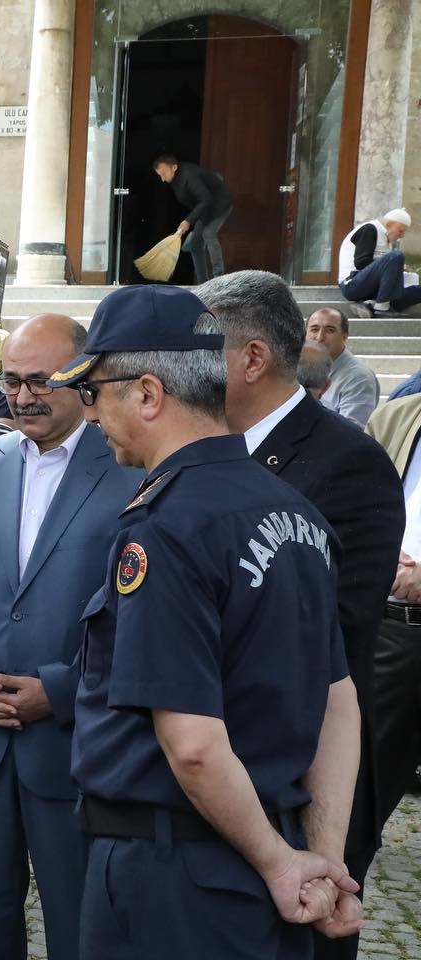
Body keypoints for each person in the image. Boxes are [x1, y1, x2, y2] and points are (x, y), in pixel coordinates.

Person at [50, 284, 364, 958]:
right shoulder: (297, 513)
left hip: (174, 874)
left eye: (94, 393)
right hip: (259, 863)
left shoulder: (166, 527)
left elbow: (191, 742)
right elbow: (337, 700)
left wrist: (285, 864)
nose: (92, 416)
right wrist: (318, 856)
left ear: (147, 394)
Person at [0, 313, 141, 960]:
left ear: (86, 376)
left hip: (76, 743)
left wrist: (61, 690)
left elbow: (140, 610)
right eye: (12, 381)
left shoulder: (131, 470)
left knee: (82, 926)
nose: (23, 396)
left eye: (41, 380)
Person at [200, 270, 405, 960]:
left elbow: (331, 644)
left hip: (299, 779)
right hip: (206, 777)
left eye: (201, 352)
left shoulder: (349, 464)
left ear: (252, 358)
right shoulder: (196, 449)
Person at [363, 396, 421, 843]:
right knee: (366, 780)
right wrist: (380, 550)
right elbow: (357, 504)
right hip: (395, 629)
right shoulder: (397, 416)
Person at [153, 153, 234, 283]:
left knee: (208, 234)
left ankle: (219, 279)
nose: (162, 179)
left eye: (164, 174)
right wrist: (192, 221)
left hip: (220, 203)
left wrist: (189, 220)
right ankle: (203, 283)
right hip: (205, 208)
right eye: (160, 176)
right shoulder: (175, 179)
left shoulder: (188, 176)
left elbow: (206, 198)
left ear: (174, 167)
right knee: (196, 243)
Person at [338, 208, 421, 316]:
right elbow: (361, 263)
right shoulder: (369, 229)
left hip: (373, 288)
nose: (402, 236)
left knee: (417, 290)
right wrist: (390, 265)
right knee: (396, 256)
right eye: (400, 231)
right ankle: (381, 309)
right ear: (389, 224)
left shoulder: (387, 239)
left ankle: (370, 304)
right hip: (352, 284)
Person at [307, 307, 380, 426]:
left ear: (344, 336)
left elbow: (352, 433)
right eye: (314, 330)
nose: (320, 337)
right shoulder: (299, 367)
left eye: (330, 330)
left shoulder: (359, 379)